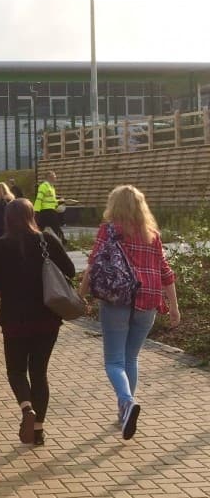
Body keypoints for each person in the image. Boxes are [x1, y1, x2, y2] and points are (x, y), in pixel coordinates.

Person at [78, 184, 180, 440]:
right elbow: (166, 272)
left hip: (117, 299)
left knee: (114, 361)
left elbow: (93, 264)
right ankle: (124, 411)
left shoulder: (109, 230)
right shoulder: (152, 235)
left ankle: (126, 402)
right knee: (131, 358)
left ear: (114, 205)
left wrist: (81, 294)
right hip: (149, 299)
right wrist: (174, 307)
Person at [0, 198, 75, 446]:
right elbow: (70, 270)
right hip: (47, 317)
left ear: (7, 219)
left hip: (14, 319)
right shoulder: (47, 240)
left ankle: (26, 408)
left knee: (16, 370)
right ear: (32, 215)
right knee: (39, 373)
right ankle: (39, 430)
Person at [34, 170, 66, 247]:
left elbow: (51, 200)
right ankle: (63, 242)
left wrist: (60, 201)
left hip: (49, 211)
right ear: (49, 177)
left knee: (39, 229)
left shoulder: (51, 187)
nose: (56, 178)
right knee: (55, 227)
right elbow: (39, 199)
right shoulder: (44, 186)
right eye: (54, 176)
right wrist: (36, 211)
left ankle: (34, 243)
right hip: (46, 211)